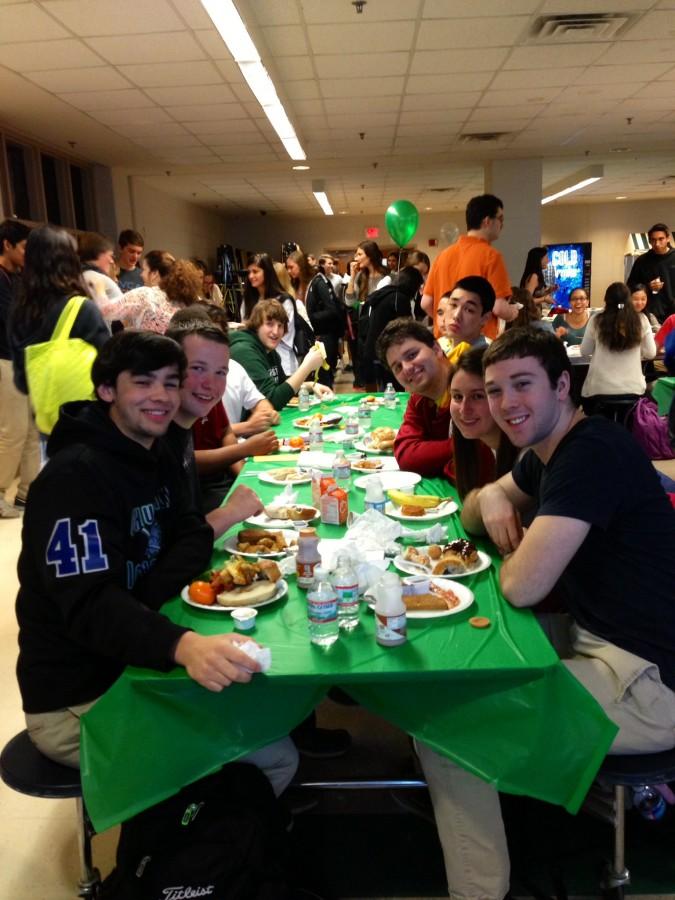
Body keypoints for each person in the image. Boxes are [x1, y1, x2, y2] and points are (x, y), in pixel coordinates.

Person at [418, 327, 675, 899]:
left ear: (563, 385)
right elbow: (471, 513)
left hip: (651, 682)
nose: (506, 404)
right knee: (465, 657)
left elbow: (522, 586)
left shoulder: (589, 454)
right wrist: (489, 496)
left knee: (443, 729)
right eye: (494, 389)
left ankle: (481, 894)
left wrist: (512, 535)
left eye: (523, 385)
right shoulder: (549, 453)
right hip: (608, 644)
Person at [15, 329, 298, 796]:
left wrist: (154, 602)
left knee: (269, 701)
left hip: (129, 657)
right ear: (107, 390)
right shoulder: (74, 477)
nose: (163, 396)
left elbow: (190, 535)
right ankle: (185, 855)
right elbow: (92, 606)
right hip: (79, 699)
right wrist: (181, 644)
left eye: (170, 382)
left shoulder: (157, 449)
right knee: (274, 757)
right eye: (143, 382)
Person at [8, 225, 109, 398]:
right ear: (70, 260)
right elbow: (109, 366)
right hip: (86, 414)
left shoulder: (19, 311)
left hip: (46, 416)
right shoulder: (82, 309)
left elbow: (22, 382)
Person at [421, 194, 517, 340]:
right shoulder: (491, 256)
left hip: (444, 343)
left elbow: (426, 303)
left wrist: (449, 320)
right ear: (487, 221)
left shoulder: (443, 255)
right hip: (477, 344)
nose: (502, 225)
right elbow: (498, 307)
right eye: (500, 219)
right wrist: (512, 311)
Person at [376, 318, 455, 480]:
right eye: (397, 367)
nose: (407, 368)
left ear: (436, 348)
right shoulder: (418, 397)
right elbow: (406, 456)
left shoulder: (468, 388)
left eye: (412, 355)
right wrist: (460, 448)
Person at [229, 299, 330, 410]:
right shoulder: (244, 352)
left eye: (280, 325)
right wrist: (306, 367)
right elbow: (272, 402)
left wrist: (310, 386)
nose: (276, 331)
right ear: (256, 325)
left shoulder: (270, 351)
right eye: (269, 324)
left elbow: (281, 388)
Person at [449, 345, 519, 500]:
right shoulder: (478, 447)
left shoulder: (525, 456)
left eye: (478, 396)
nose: (464, 409)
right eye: (457, 397)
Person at [0, 218, 36, 518]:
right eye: (24, 247)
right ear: (7, 245)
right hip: (5, 360)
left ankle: (27, 493)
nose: (28, 254)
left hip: (25, 361)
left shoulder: (21, 278)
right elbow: (12, 321)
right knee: (13, 430)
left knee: (32, 430)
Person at [580, 281, 656, 419]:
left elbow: (585, 351)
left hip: (599, 390)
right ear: (629, 300)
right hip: (633, 390)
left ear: (606, 300)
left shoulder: (596, 320)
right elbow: (651, 353)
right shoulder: (641, 320)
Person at [359, 266, 425, 391]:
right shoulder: (399, 298)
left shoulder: (383, 294)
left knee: (379, 394)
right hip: (387, 352)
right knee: (394, 394)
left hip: (371, 349)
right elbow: (407, 327)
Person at [244, 252, 308, 375]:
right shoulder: (248, 300)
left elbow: (283, 334)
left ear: (267, 272)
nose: (251, 276)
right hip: (256, 362)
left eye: (255, 271)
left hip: (282, 363)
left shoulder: (284, 300)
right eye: (249, 272)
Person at [435, 275, 496, 363]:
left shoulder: (484, 360)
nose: (456, 316)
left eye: (469, 310)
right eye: (453, 305)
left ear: (485, 318)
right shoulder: (439, 345)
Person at [305, 259, 346, 387]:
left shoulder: (320, 282)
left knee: (324, 375)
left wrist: (311, 317)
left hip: (324, 334)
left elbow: (331, 309)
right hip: (326, 333)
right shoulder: (320, 281)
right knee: (324, 374)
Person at [627, 222, 675, 323]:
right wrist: (647, 286)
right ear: (649, 241)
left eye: (661, 239)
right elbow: (630, 286)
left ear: (668, 238)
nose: (657, 244)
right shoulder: (642, 261)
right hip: (650, 314)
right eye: (653, 240)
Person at [77, 231, 123, 320]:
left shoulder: (79, 277)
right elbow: (123, 312)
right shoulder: (97, 278)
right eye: (110, 255)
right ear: (99, 254)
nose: (112, 261)